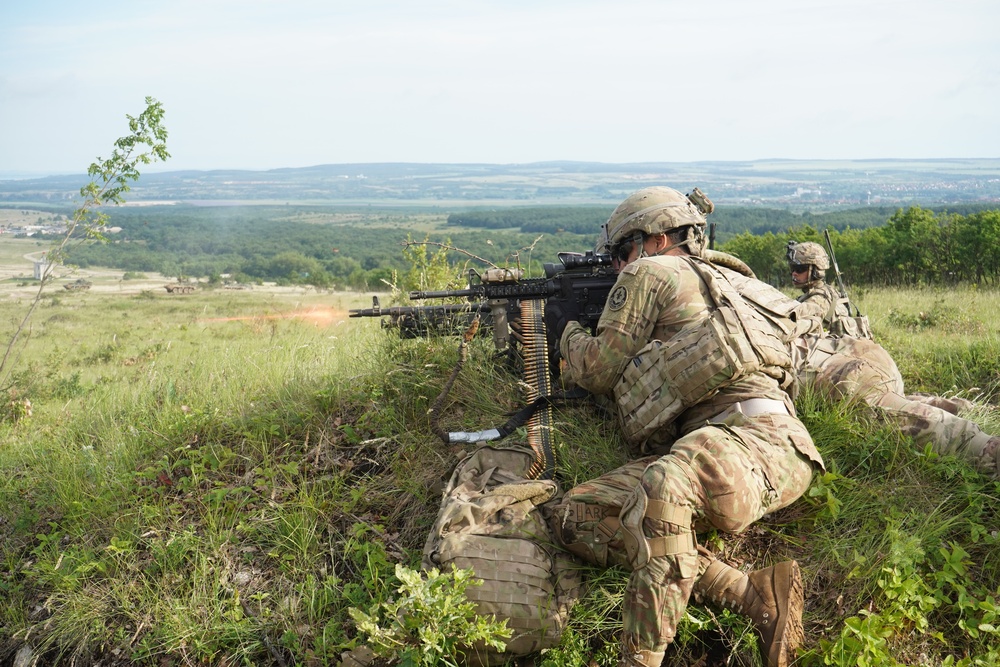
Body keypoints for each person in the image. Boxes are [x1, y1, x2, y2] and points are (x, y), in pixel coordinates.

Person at [545, 186, 825, 667]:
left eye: (621, 252)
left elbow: (596, 370)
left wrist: (566, 331)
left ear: (655, 239)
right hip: (747, 447)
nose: (618, 267)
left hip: (753, 442)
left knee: (665, 483)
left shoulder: (648, 271)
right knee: (576, 514)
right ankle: (750, 594)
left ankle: (641, 658)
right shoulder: (735, 278)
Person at [783, 244, 1000, 478]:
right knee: (908, 401)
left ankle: (986, 449)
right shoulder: (817, 295)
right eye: (793, 268)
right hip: (856, 360)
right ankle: (974, 409)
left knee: (907, 415)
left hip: (852, 366)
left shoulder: (820, 298)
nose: (794, 273)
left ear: (816, 270)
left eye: (800, 268)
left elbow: (804, 319)